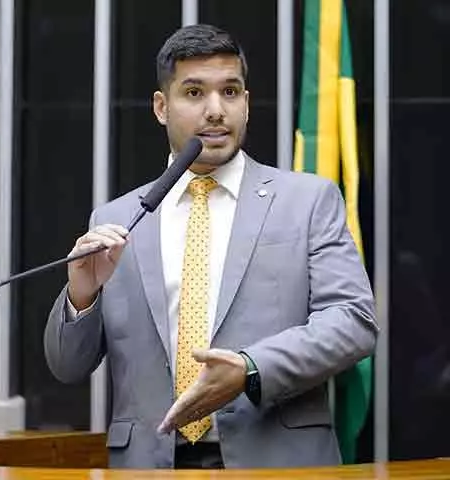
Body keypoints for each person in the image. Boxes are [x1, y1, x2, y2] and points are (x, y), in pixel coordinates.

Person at [44, 24, 378, 469]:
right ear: (162, 107)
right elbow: (67, 366)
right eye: (195, 93)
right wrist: (81, 297)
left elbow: (353, 322)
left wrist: (250, 369)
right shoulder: (118, 219)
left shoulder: (307, 201)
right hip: (150, 464)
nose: (216, 110)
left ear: (246, 103)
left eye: (230, 91)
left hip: (278, 462)